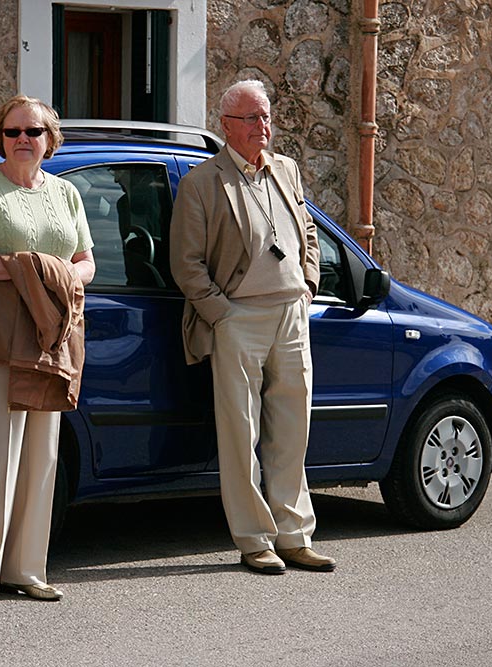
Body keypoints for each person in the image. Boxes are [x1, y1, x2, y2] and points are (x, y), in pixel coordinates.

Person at [169, 80, 335, 575]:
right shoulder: (203, 183)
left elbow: (307, 230)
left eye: (265, 117)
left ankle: (294, 534)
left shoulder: (286, 169)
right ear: (226, 126)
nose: (262, 127)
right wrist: (222, 313)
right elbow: (187, 263)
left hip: (291, 314)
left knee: (292, 429)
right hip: (237, 318)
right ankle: (254, 539)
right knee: (240, 435)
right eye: (251, 119)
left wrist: (308, 281)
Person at [0, 95, 95, 608]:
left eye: (32, 131)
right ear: (0, 137)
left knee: (43, 451)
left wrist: (53, 281)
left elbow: (85, 264)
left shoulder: (67, 193)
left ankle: (28, 569)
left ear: (49, 140)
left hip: (51, 330)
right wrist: (39, 272)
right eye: (12, 131)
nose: (22, 140)